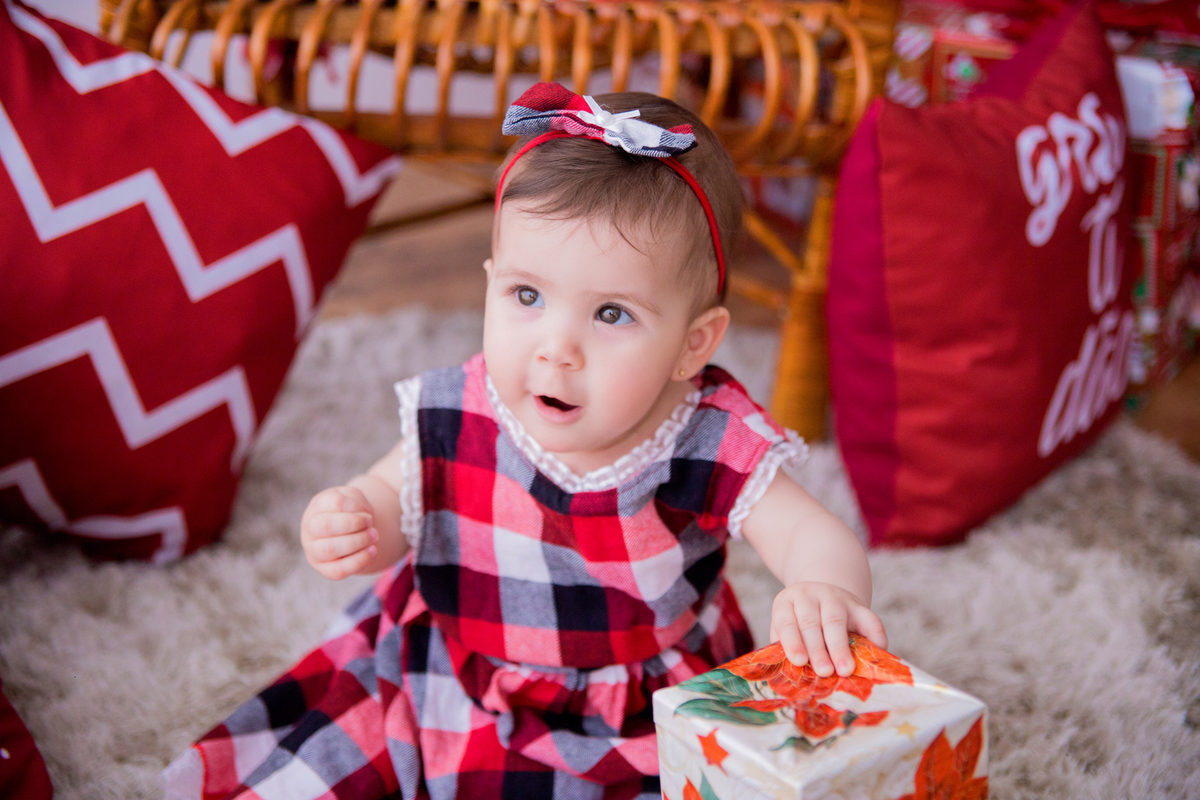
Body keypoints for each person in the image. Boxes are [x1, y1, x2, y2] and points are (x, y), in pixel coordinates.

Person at [162, 83, 887, 800]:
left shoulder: (705, 434)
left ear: (692, 346)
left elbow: (809, 531)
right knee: (339, 759)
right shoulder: (461, 406)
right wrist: (359, 519)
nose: (556, 349)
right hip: (455, 667)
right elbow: (393, 497)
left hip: (635, 702)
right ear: (489, 285)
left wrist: (824, 585)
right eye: (527, 296)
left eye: (611, 313)